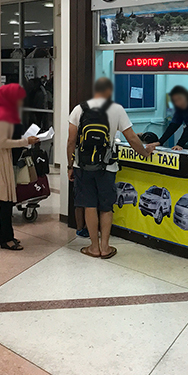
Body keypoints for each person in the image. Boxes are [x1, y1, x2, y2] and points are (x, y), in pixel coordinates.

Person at [66, 78, 156, 259]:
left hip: (83, 166)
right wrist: (145, 153)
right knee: (106, 207)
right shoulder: (117, 110)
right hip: (107, 166)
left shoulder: (79, 109)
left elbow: (71, 141)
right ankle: (105, 247)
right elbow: (131, 138)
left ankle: (93, 247)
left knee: (90, 205)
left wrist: (70, 165)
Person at [0, 84, 38, 250]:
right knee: (5, 201)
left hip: (10, 160)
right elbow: (2, 142)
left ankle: (5, 235)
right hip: (3, 162)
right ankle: (5, 238)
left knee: (7, 201)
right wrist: (25, 141)